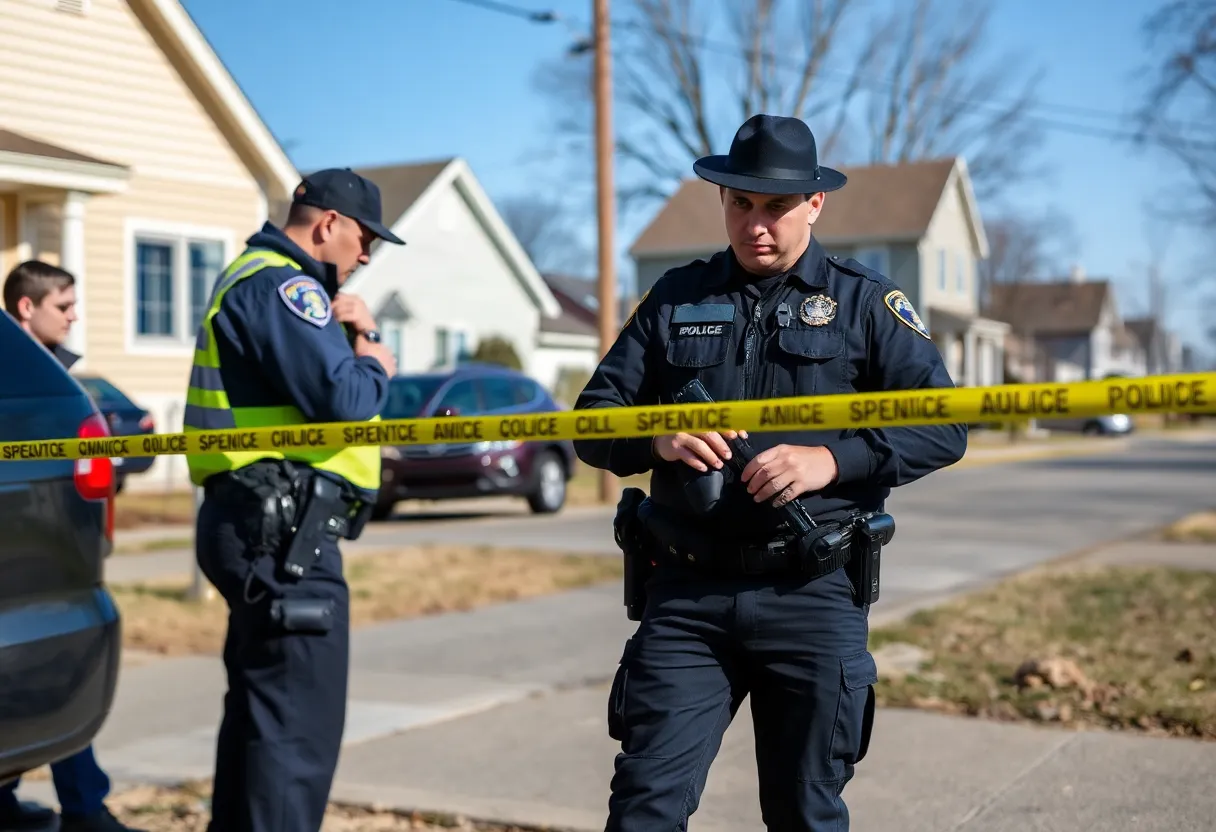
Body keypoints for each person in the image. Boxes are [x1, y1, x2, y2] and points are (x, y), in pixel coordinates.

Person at [575, 114, 968, 831]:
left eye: (777, 207)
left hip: (811, 594)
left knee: (804, 814)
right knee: (643, 809)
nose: (757, 224)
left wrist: (832, 460)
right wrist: (658, 439)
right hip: (687, 595)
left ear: (815, 205)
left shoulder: (864, 303)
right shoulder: (674, 298)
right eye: (740, 203)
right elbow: (592, 421)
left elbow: (942, 424)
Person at [184, 168, 402, 832]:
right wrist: (372, 355)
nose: (366, 257)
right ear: (328, 223)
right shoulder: (284, 285)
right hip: (283, 538)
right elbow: (346, 400)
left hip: (260, 526)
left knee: (262, 723)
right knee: (293, 734)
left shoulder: (257, 277)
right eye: (365, 240)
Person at [2, 259, 143, 832]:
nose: (75, 316)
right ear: (25, 309)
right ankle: (81, 807)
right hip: (40, 563)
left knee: (49, 659)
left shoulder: (49, 384)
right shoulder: (39, 388)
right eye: (63, 306)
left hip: (52, 557)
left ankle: (79, 803)